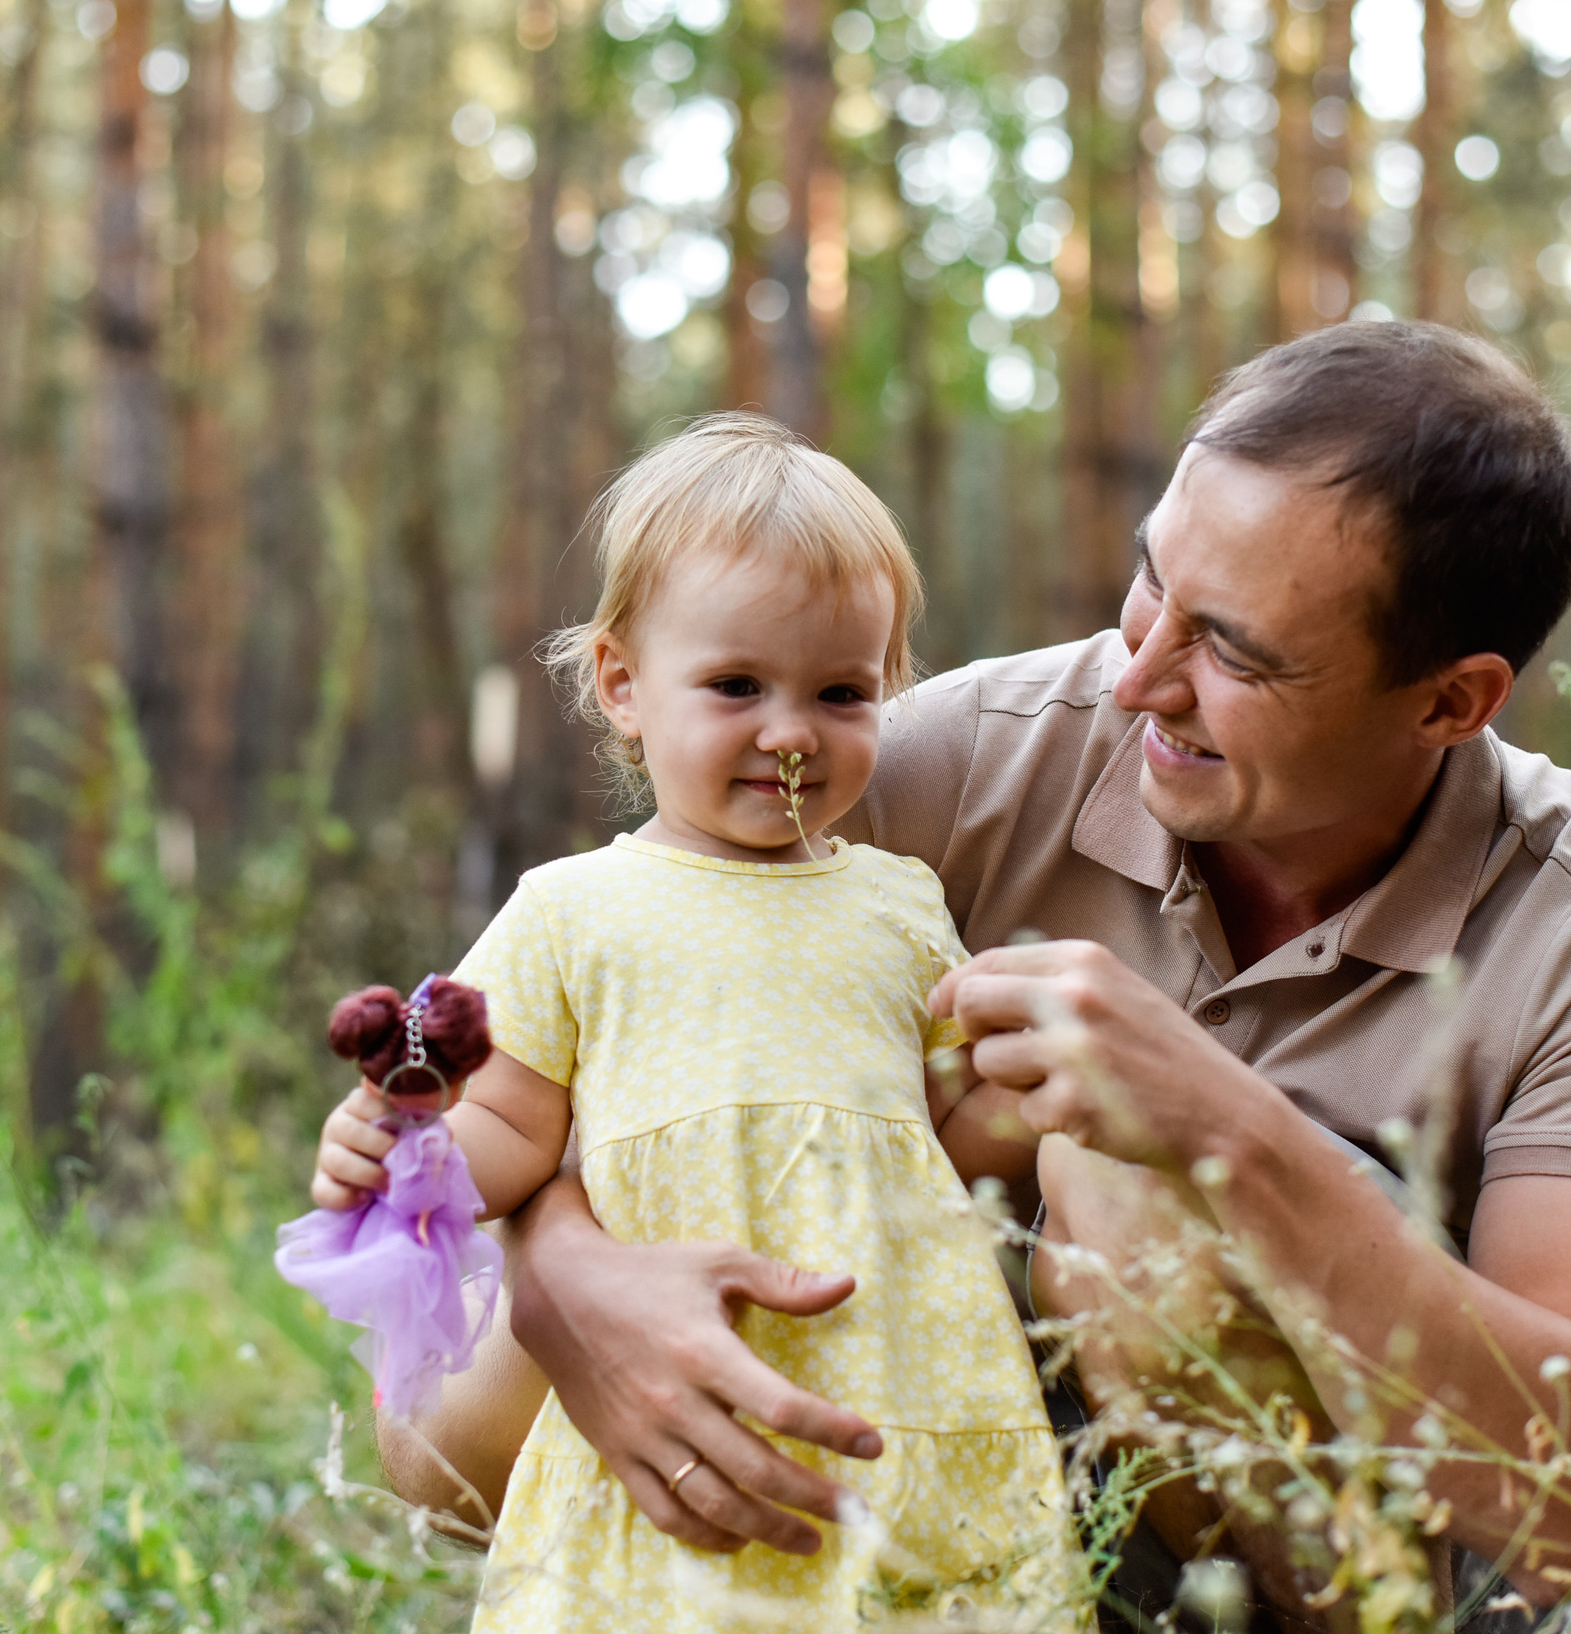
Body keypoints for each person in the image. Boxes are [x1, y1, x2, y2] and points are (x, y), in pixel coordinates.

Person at [326, 322, 1571, 1629]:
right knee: (447, 1406)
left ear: (1449, 699)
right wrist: (575, 1275)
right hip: (904, 1450)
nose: (1139, 679)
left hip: (1343, 1560)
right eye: (1151, 580)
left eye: (1230, 650)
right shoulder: (946, 754)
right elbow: (632, 1011)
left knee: (1127, 1187)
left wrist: (1227, 1126)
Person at [315, 413, 1088, 1631]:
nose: (790, 733)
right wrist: (405, 1149)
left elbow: (948, 1132)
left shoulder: (900, 902)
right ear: (622, 684)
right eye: (736, 686)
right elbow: (510, 1123)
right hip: (665, 1375)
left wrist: (1034, 1088)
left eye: (841, 692)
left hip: (893, 1369)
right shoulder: (572, 909)